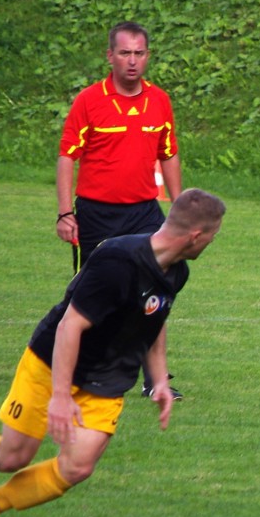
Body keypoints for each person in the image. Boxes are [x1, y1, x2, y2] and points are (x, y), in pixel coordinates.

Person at [0, 190, 226, 517]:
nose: (214, 241)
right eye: (214, 234)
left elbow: (153, 318)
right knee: (13, 456)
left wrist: (159, 378)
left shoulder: (177, 272)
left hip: (107, 379)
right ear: (196, 235)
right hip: (51, 362)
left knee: (77, 466)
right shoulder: (117, 262)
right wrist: (60, 395)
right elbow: (70, 326)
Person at [54, 21, 185, 399]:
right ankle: (73, 368)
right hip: (96, 214)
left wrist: (178, 209)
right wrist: (66, 213)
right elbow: (68, 156)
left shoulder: (159, 100)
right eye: (124, 53)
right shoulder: (89, 101)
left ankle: (154, 380)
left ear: (148, 56)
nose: (132, 61)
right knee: (88, 294)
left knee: (154, 293)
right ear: (109, 56)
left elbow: (169, 153)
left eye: (139, 53)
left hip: (144, 213)